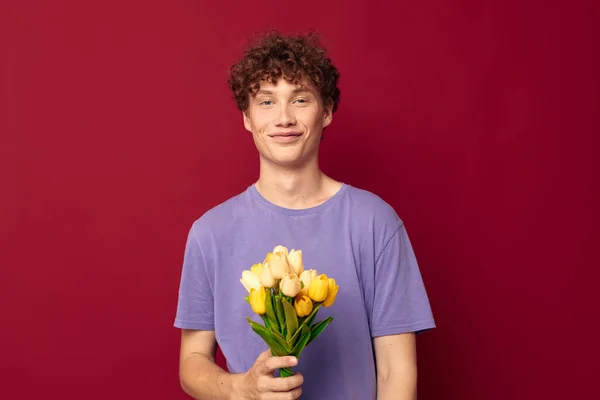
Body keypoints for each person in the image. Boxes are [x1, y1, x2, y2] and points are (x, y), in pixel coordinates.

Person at [174, 30, 436, 400]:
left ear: (326, 111)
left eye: (300, 99)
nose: (284, 118)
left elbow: (397, 372)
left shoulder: (376, 223)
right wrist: (241, 388)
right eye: (266, 102)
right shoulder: (210, 233)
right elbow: (192, 362)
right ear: (247, 117)